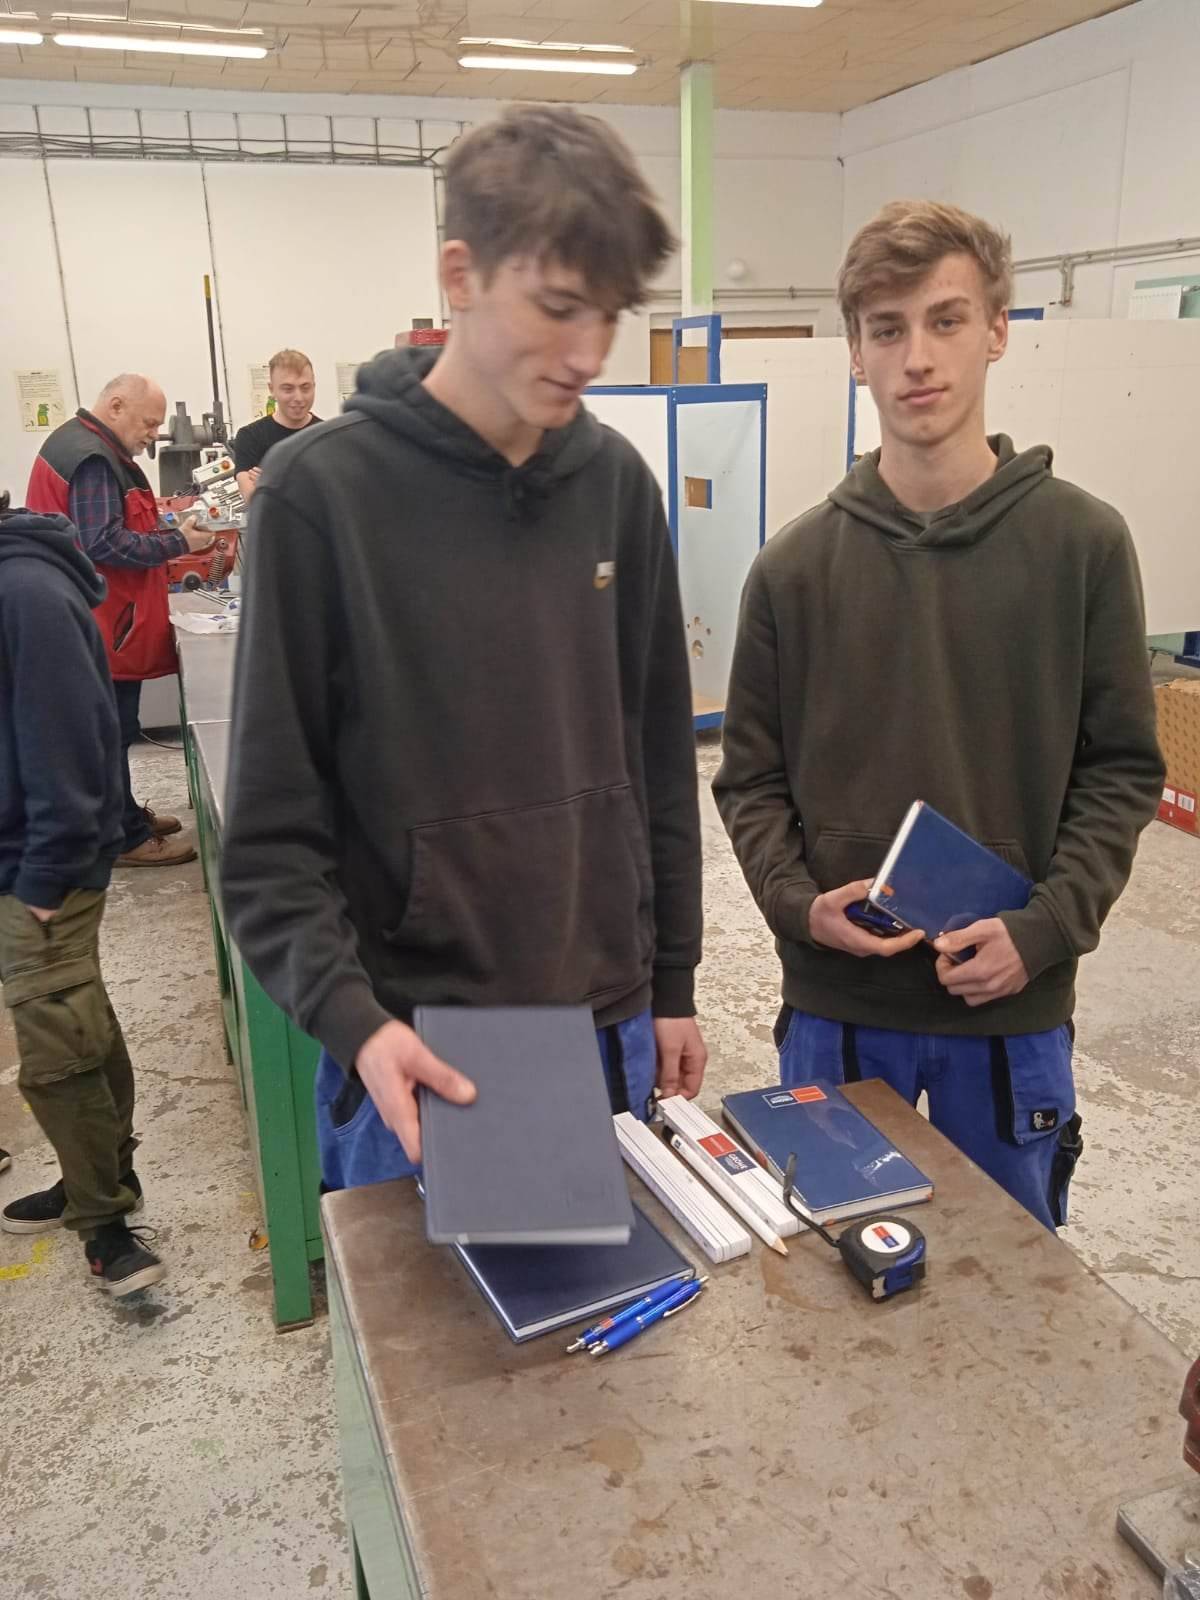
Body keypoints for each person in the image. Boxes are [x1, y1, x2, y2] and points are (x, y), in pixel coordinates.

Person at [222, 105, 707, 1189]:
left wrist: (672, 977)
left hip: (608, 1020)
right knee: (428, 1309)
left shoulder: (617, 488)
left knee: (616, 1301)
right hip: (421, 1042)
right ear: (461, 274)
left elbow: (658, 760)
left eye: (610, 314)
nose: (587, 353)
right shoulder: (319, 497)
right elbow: (268, 841)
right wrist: (354, 1021)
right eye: (558, 307)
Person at [713, 200, 1164, 1232]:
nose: (917, 357)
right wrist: (799, 905)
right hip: (838, 1010)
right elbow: (750, 778)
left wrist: (1045, 930)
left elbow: (1122, 771)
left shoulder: (1084, 547)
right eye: (887, 329)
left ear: (998, 330)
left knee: (1010, 1286)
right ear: (855, 353)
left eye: (946, 320)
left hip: (1008, 1011)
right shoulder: (791, 569)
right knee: (832, 1279)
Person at [0, 490, 165, 1294]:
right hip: (26, 854)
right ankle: (96, 1175)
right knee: (81, 1020)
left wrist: (45, 876)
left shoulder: (23, 590)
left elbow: (71, 739)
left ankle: (105, 1223)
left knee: (58, 1048)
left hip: (39, 865)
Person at [26, 374, 210, 869]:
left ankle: (125, 816)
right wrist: (180, 543)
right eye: (149, 423)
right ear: (115, 406)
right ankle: (123, 838)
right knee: (109, 731)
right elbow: (102, 542)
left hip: (97, 617)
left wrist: (169, 528)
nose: (155, 434)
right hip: (99, 622)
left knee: (114, 728)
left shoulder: (88, 446)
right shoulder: (92, 459)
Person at [232, 350, 321, 505]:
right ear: (271, 389)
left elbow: (336, 501)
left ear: (314, 386)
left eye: (305, 388)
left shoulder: (328, 436)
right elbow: (255, 503)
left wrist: (271, 486)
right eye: (288, 389)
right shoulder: (250, 437)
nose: (298, 397)